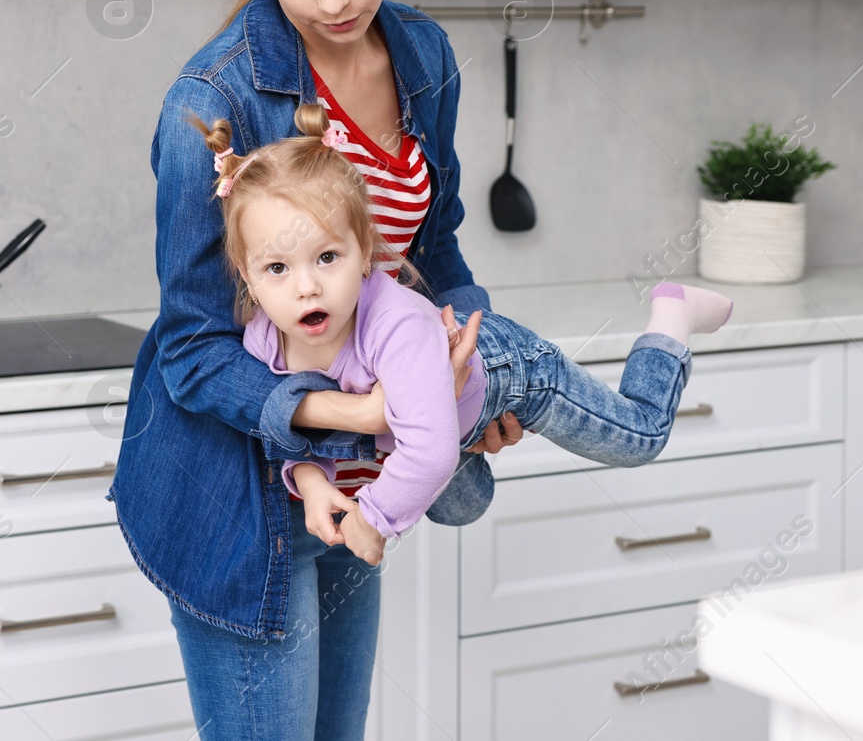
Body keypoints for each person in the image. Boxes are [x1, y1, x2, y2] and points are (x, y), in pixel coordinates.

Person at [110, 0, 521, 741]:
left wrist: (471, 365)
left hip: (358, 476)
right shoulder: (210, 102)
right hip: (235, 488)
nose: (334, 0)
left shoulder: (421, 53)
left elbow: (437, 245)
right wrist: (366, 411)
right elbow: (195, 350)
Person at [191, 106, 732, 566]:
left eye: (328, 257)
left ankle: (672, 318)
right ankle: (455, 435)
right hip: (429, 414)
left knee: (640, 437)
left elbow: (426, 456)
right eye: (277, 269)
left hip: (510, 371)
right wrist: (311, 485)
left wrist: (374, 521)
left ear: (366, 257)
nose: (307, 288)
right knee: (462, 506)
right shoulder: (264, 338)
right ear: (248, 277)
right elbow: (288, 430)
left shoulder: (395, 326)